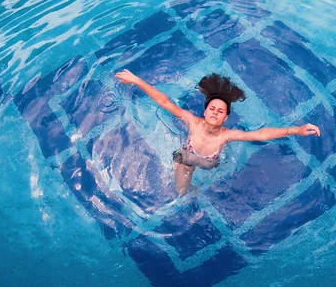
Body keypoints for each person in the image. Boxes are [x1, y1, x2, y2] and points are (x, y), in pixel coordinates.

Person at [115, 69, 321, 195]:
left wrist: (297, 129)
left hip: (208, 163)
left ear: (226, 118)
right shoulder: (192, 122)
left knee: (198, 177)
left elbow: (260, 135)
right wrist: (137, 80)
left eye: (220, 111)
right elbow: (164, 101)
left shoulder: (227, 135)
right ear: (204, 111)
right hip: (186, 158)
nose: (215, 112)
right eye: (212, 108)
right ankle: (190, 189)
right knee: (180, 191)